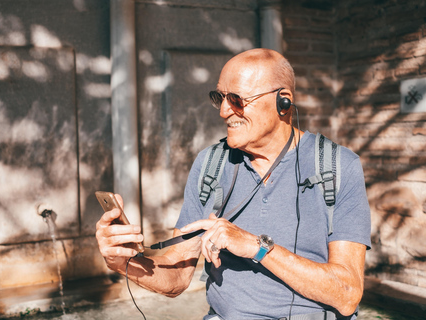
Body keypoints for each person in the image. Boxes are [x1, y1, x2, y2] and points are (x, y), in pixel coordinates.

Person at [96, 48, 371, 320]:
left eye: (237, 100)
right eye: (220, 98)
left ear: (283, 103)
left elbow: (347, 295)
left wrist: (256, 246)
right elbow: (177, 276)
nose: (225, 112)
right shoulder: (211, 165)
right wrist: (125, 262)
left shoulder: (337, 166)